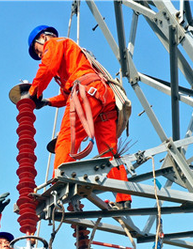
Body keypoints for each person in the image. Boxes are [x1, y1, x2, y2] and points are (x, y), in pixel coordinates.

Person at [27, 25, 132, 209]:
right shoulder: (70, 58)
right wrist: (47, 102)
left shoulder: (55, 43)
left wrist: (33, 92)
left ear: (42, 38)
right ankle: (124, 199)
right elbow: (65, 94)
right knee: (109, 151)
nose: (41, 55)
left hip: (86, 91)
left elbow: (47, 67)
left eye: (38, 51)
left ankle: (57, 187)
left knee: (66, 138)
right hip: (102, 96)